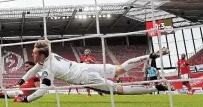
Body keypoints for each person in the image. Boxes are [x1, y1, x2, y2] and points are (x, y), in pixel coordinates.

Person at [14, 40, 169, 103]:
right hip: (84, 67)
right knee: (119, 69)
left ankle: (155, 88)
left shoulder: (48, 69)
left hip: (85, 77)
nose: (32, 54)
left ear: (41, 55)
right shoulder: (51, 56)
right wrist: (22, 80)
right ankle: (150, 55)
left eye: (34, 52)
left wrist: (26, 100)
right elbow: (35, 68)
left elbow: (42, 91)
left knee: (117, 89)